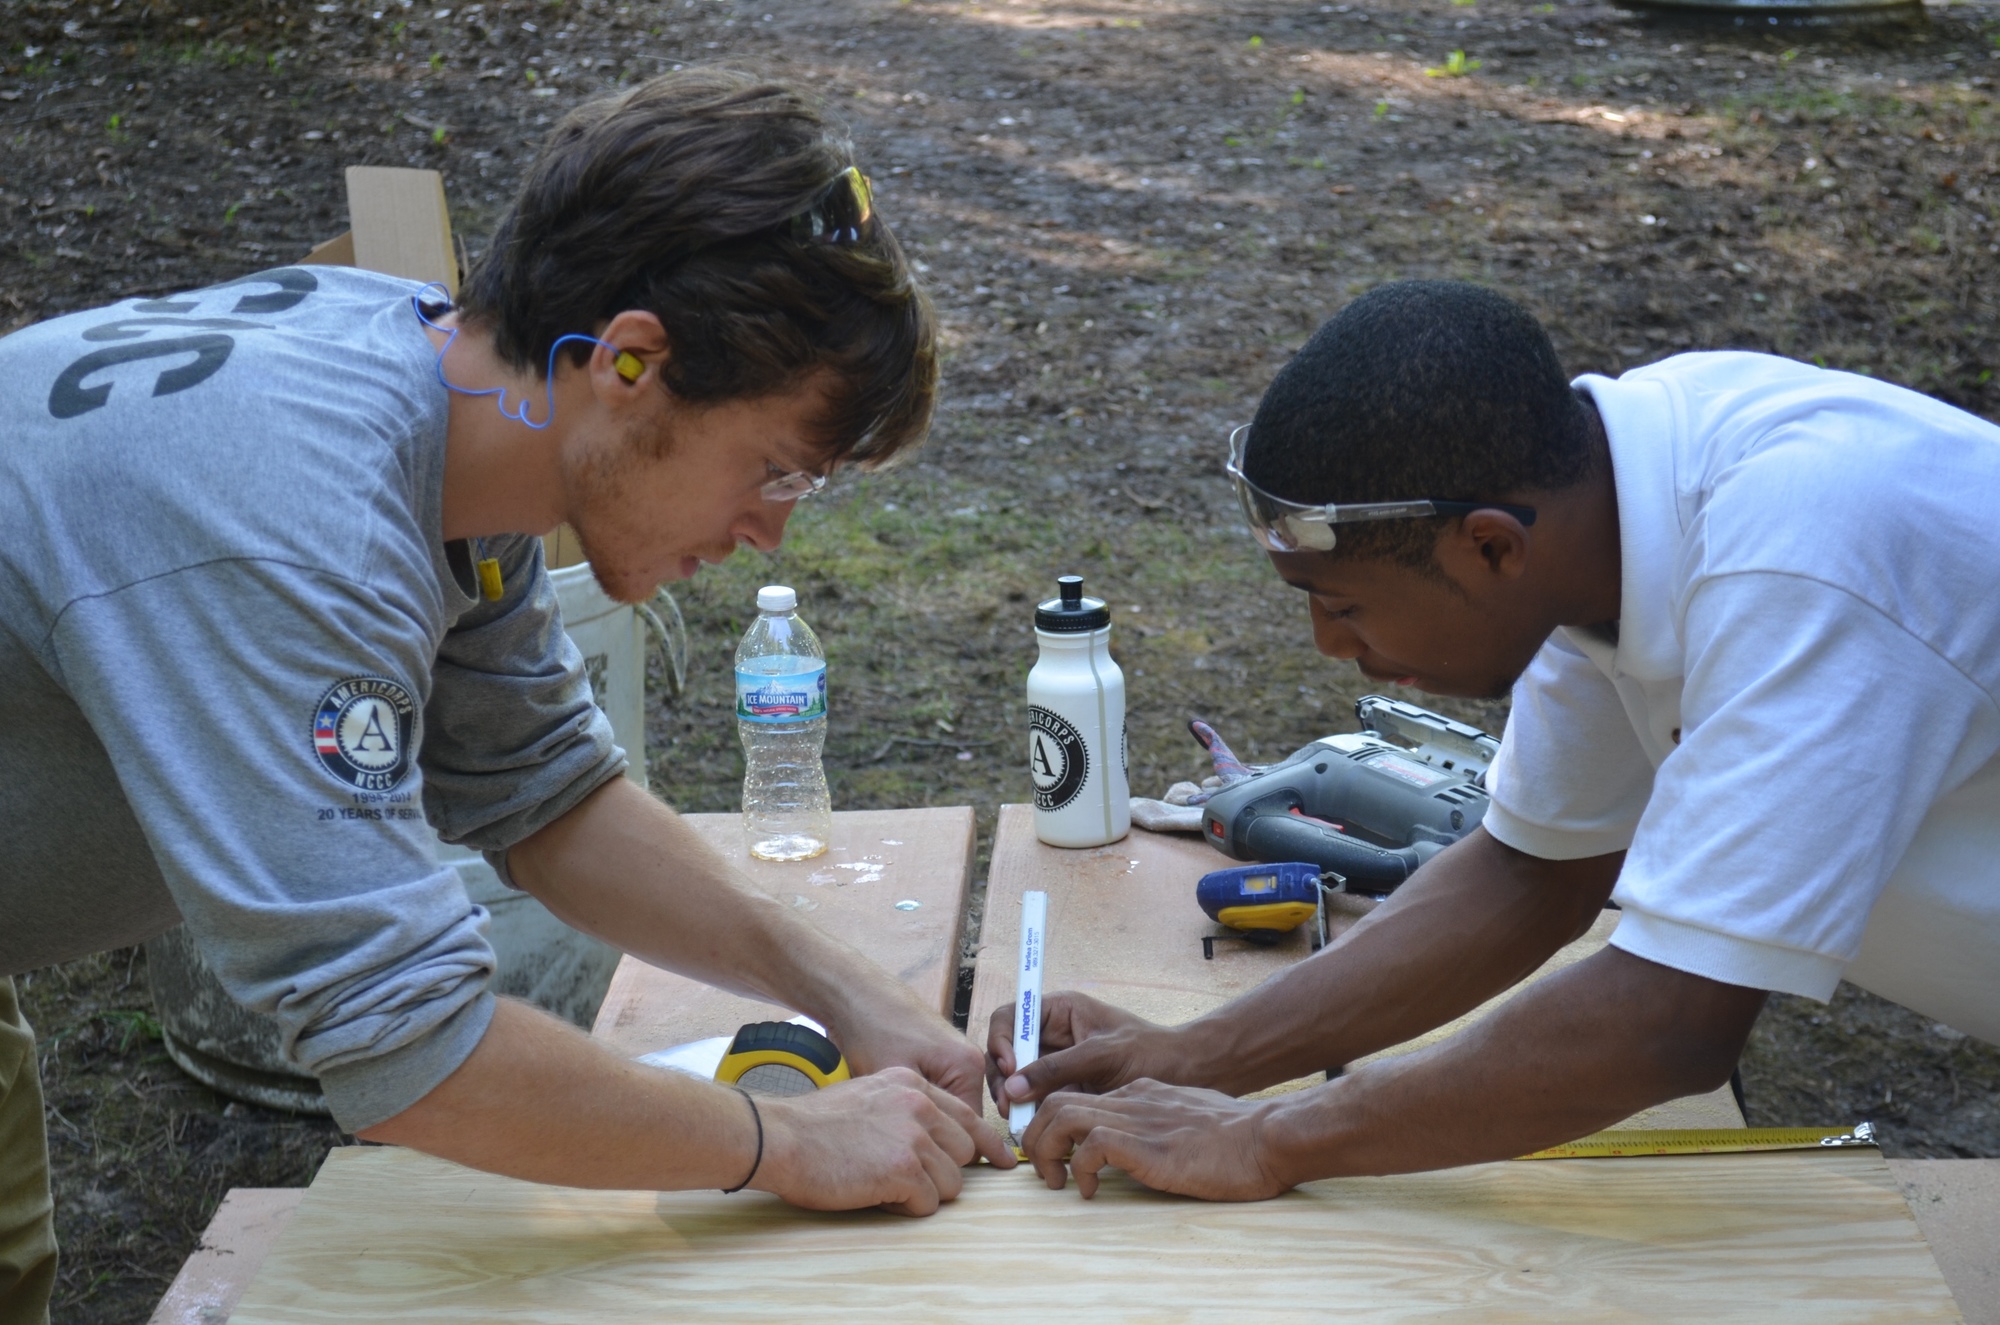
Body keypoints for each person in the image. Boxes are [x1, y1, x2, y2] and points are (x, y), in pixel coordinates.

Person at [0, 68, 1014, 1322]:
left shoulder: (439, 396)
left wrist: (859, 996)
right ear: (632, 363)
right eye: (776, 470)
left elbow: (546, 795)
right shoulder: (289, 526)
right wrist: (790, 1144)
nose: (767, 535)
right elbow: (405, 1050)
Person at [988, 279, 2000, 1201]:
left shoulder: (1792, 565)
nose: (1331, 647)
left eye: (1339, 604)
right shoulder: (1600, 510)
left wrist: (1267, 1137)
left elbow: (1666, 1021)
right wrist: (1195, 1055)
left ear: (1488, 545)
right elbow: (1528, 875)